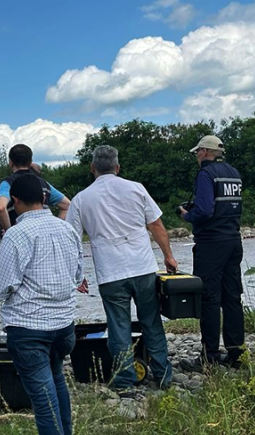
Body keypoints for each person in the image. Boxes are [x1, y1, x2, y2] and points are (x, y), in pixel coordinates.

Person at [66, 145, 177, 392]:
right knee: (151, 322)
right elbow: (156, 225)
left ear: (92, 168)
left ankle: (124, 381)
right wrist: (168, 256)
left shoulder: (81, 199)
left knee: (118, 327)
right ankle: (162, 376)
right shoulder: (136, 189)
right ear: (117, 167)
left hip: (110, 272)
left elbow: (72, 239)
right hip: (143, 267)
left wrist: (78, 274)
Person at [0, 174, 83, 435]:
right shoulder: (67, 229)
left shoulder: (17, 234)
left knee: (44, 403)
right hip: (64, 327)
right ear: (45, 199)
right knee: (57, 384)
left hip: (29, 330)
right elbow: (77, 275)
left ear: (15, 202)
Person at [177, 135, 244, 370]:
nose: (196, 155)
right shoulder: (233, 173)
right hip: (234, 239)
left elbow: (204, 210)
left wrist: (186, 215)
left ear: (205, 152)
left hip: (211, 242)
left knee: (210, 299)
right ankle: (237, 353)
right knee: (232, 298)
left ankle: (210, 356)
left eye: (197, 152)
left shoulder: (206, 174)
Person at [0, 144, 71, 246]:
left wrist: (9, 232)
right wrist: (52, 226)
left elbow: (1, 208)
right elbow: (68, 206)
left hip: (19, 242)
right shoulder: (43, 184)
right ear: (30, 162)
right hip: (44, 241)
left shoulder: (8, 183)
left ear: (10, 162)